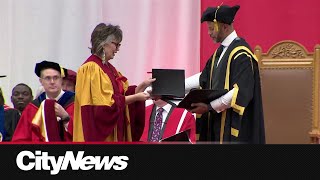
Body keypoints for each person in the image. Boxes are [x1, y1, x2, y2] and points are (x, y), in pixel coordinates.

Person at [186, 4, 265, 144]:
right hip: (218, 122)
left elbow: (238, 93)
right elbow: (204, 78)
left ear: (224, 27)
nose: (209, 33)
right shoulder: (220, 53)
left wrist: (210, 107)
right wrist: (176, 86)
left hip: (236, 127)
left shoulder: (242, 54)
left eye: (211, 28)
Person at [73, 23, 155, 142]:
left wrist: (143, 86)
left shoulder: (111, 70)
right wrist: (136, 98)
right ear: (102, 43)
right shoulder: (91, 68)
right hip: (100, 136)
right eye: (115, 44)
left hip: (116, 132)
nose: (117, 49)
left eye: (119, 45)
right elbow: (103, 106)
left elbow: (123, 96)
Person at [12, 60, 75, 142]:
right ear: (41, 81)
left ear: (61, 80)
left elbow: (84, 134)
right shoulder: (33, 107)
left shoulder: (74, 103)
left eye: (56, 78)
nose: (52, 82)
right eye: (48, 78)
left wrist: (66, 118)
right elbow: (20, 140)